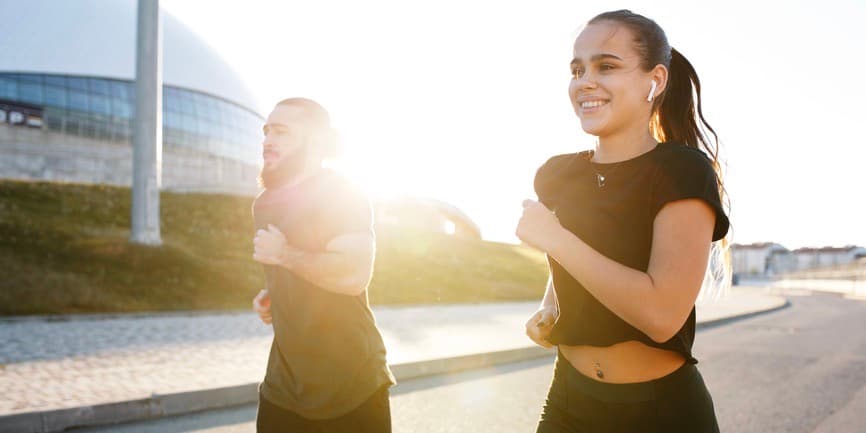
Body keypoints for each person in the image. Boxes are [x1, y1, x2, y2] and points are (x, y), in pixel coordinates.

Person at [516, 10, 731, 433]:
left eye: (606, 66)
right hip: (569, 400)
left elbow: (660, 314)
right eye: (578, 69)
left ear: (655, 81)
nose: (585, 81)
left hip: (661, 413)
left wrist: (554, 239)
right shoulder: (558, 174)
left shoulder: (682, 172)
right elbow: (575, 258)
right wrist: (549, 308)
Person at [250, 97, 395, 433]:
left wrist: (284, 255)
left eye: (281, 132)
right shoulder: (264, 204)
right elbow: (290, 266)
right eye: (267, 131)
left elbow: (353, 274)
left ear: (313, 140)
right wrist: (273, 292)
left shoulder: (342, 192)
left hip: (351, 384)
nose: (268, 140)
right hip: (283, 387)